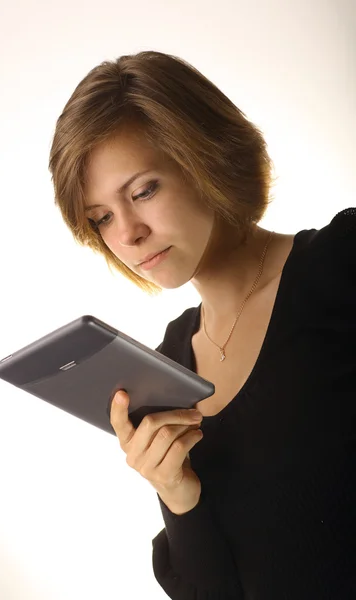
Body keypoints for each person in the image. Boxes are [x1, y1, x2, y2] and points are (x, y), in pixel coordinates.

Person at [48, 50, 356, 599]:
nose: (128, 234)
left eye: (143, 191)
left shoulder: (342, 262)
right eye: (101, 218)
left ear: (206, 156)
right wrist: (177, 494)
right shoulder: (168, 361)